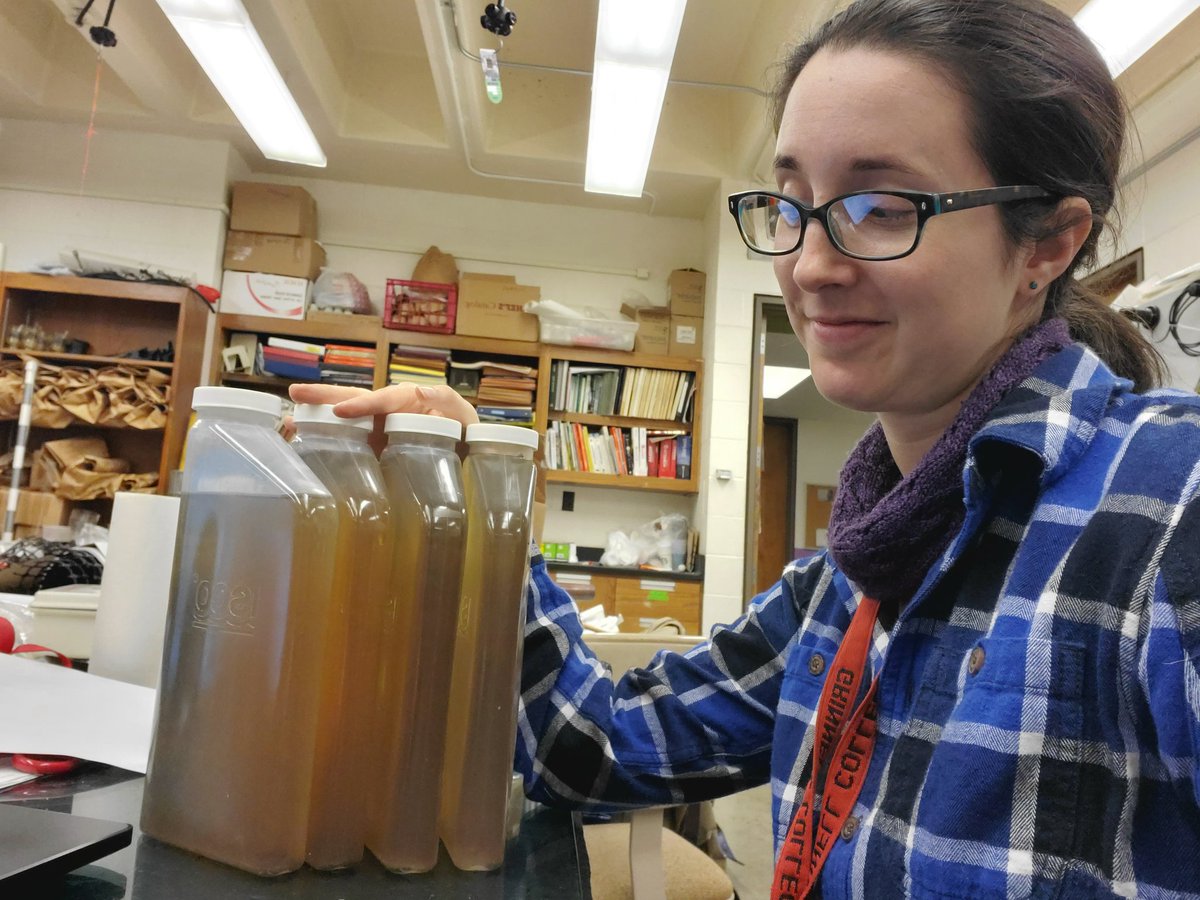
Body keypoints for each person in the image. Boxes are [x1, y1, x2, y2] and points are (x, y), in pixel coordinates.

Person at [291, 0, 1200, 894]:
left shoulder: (1171, 510)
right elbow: (598, 745)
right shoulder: (846, 583)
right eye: (792, 203)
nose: (809, 265)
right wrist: (474, 482)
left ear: (1048, 241)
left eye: (881, 206)